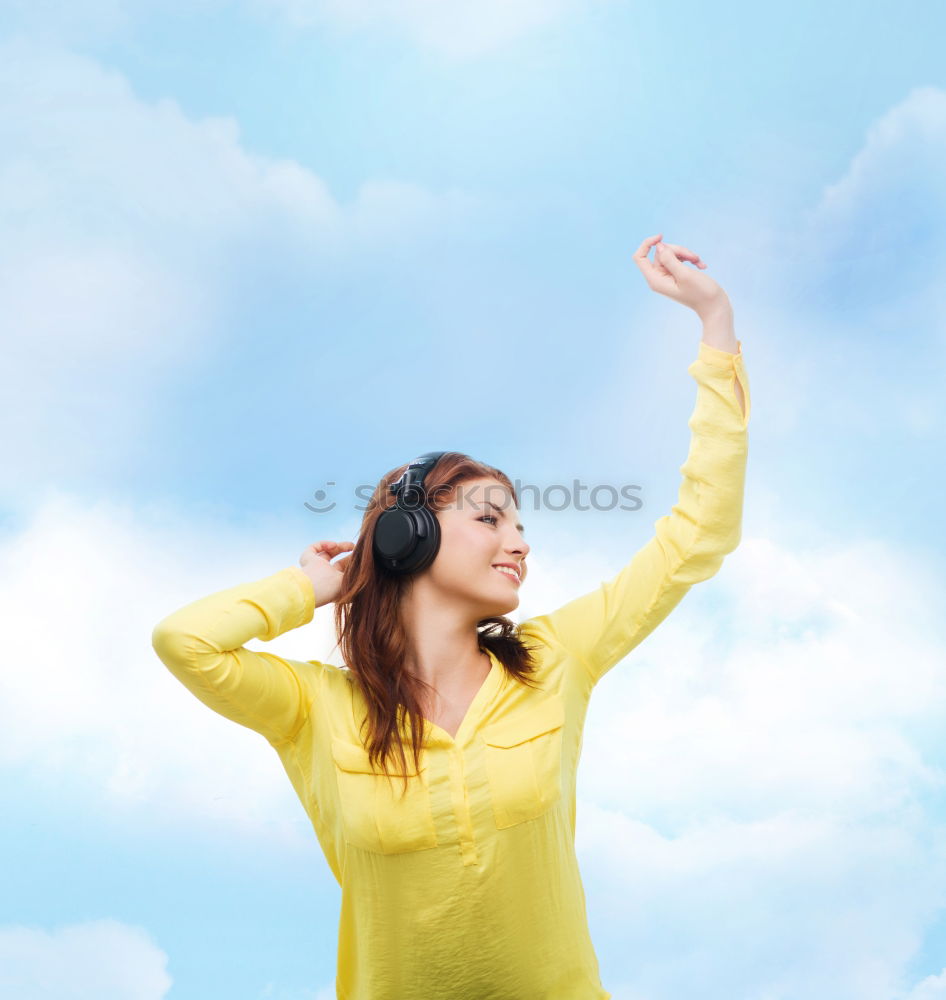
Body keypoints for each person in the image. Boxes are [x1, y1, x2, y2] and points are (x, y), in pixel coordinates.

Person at [150, 233, 750, 1000]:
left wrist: (715, 325)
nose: (520, 544)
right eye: (491, 520)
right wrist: (312, 588)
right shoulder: (315, 709)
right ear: (411, 537)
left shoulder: (557, 657)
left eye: (523, 525)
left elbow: (698, 535)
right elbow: (185, 642)